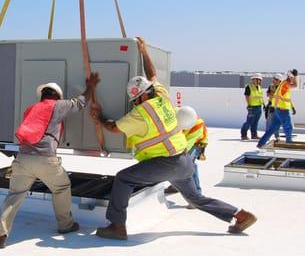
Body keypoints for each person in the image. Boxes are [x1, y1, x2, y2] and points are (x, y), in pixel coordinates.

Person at [90, 37, 257, 240]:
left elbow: (114, 128)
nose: (134, 104)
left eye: (135, 100)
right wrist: (143, 51)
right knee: (195, 198)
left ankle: (117, 226)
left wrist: (98, 118)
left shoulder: (141, 113)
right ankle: (240, 215)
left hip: (165, 163)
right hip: (184, 160)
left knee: (123, 179)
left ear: (141, 97)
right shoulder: (162, 96)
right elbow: (152, 74)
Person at [0, 74, 100, 248]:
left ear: (42, 95)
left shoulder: (31, 109)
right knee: (61, 187)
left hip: (22, 158)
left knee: (14, 195)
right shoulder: (58, 105)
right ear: (57, 96)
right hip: (45, 159)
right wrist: (90, 86)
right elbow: (79, 104)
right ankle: (65, 225)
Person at [164, 106, 208, 199]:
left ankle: (197, 194)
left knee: (188, 163)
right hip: (179, 139)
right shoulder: (173, 113)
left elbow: (186, 147)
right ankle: (176, 186)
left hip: (197, 143)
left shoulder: (197, 125)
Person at [257, 69, 299, 147]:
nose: (293, 80)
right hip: (282, 110)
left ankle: (261, 143)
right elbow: (296, 85)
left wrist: (275, 107)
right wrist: (296, 76)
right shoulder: (285, 84)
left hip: (278, 110)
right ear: (290, 77)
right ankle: (289, 143)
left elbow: (278, 96)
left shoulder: (283, 84)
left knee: (273, 128)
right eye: (293, 78)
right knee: (288, 127)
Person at [240, 73, 264, 140]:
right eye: (258, 80)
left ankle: (254, 135)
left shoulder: (259, 87)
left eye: (260, 80)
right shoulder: (249, 87)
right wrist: (249, 105)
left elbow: (260, 97)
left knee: (255, 122)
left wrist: (263, 104)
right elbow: (247, 96)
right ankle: (243, 134)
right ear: (254, 79)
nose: (259, 81)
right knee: (249, 122)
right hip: (252, 107)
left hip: (259, 107)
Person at [264, 74, 283, 142]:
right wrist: (272, 94)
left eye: (275, 79)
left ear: (279, 80)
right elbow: (268, 94)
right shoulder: (271, 86)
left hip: (278, 107)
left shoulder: (282, 87)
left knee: (277, 122)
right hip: (271, 106)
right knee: (269, 121)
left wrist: (273, 94)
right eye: (274, 79)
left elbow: (281, 97)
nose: (274, 80)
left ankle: (277, 136)